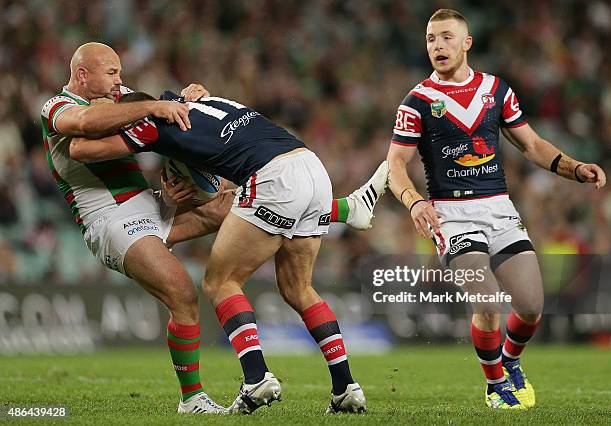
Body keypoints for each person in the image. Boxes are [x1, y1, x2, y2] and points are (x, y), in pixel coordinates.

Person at [70, 90, 387, 414]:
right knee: (298, 288)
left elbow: (82, 150)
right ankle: (345, 388)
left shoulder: (148, 122)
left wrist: (95, 122)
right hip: (310, 165)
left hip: (272, 177)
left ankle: (256, 377)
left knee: (220, 282)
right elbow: (208, 156)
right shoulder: (187, 99)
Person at [386, 9, 606, 410]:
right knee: (487, 302)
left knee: (531, 307)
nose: (438, 45)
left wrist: (575, 168)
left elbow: (533, 145)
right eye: (432, 39)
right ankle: (494, 384)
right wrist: (414, 201)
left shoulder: (496, 90)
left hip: (499, 209)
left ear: (467, 43)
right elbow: (395, 165)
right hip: (450, 215)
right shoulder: (417, 100)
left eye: (447, 37)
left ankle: (511, 360)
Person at [41, 42, 235, 414]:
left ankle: (329, 213)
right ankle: (192, 399)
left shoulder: (121, 97)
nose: (120, 81)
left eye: (120, 73)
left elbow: (165, 109)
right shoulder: (57, 107)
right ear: (83, 75)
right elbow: (84, 127)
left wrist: (193, 99)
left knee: (229, 202)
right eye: (112, 73)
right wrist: (150, 107)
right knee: (182, 293)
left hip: (149, 203)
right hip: (109, 219)